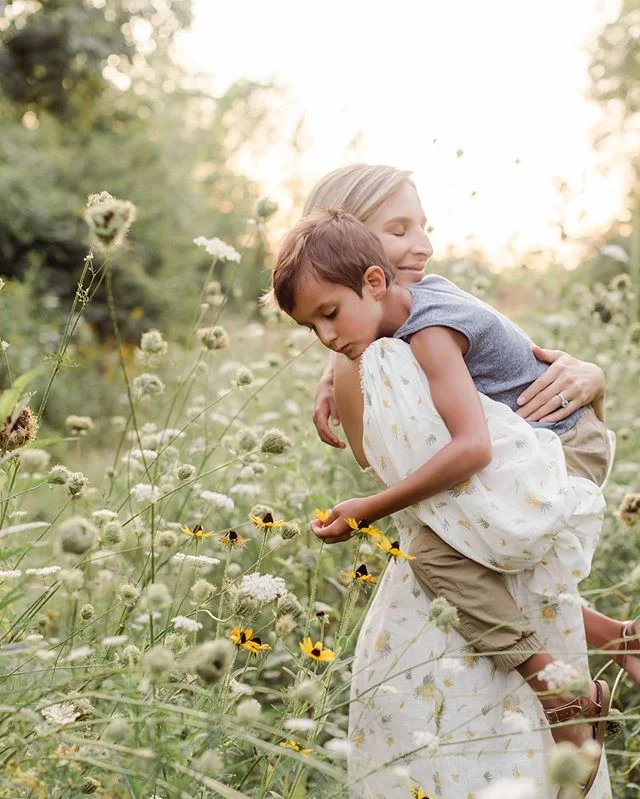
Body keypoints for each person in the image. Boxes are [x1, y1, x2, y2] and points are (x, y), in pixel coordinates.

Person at [269, 207, 628, 797]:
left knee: (435, 555)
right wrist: (336, 371)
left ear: (376, 281)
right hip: (548, 441)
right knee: (458, 548)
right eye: (314, 328)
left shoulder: (429, 334)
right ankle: (610, 646)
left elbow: (472, 449)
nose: (329, 337)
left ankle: (563, 696)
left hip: (557, 451)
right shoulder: (414, 306)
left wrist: (370, 509)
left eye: (330, 315)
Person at [297, 165, 639, 690]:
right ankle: (607, 646)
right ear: (348, 246)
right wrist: (344, 361)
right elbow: (428, 487)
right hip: (480, 567)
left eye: (421, 225)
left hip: (534, 492)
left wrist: (594, 379)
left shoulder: (429, 317)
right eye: (399, 229)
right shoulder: (382, 349)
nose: (425, 245)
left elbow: (481, 461)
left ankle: (573, 680)